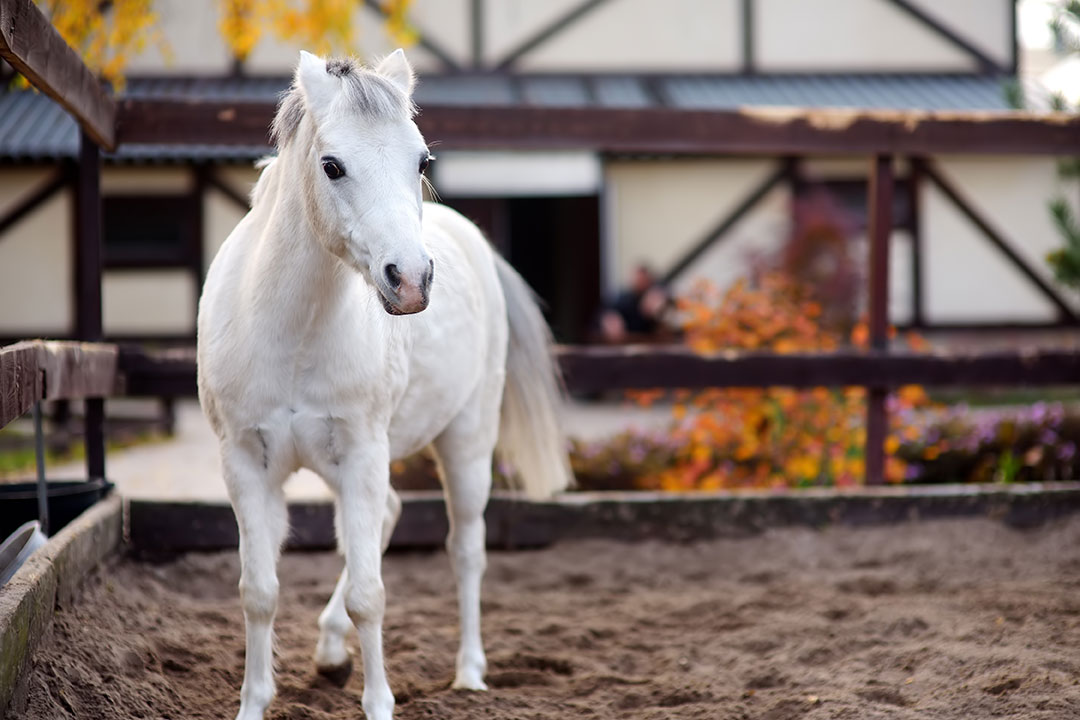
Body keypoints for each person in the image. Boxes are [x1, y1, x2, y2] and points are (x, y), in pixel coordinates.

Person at [599, 264, 671, 342]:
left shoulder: (657, 293)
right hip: (628, 340)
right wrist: (611, 319)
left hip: (651, 341)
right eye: (637, 279)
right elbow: (609, 314)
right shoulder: (625, 298)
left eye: (642, 279)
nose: (639, 282)